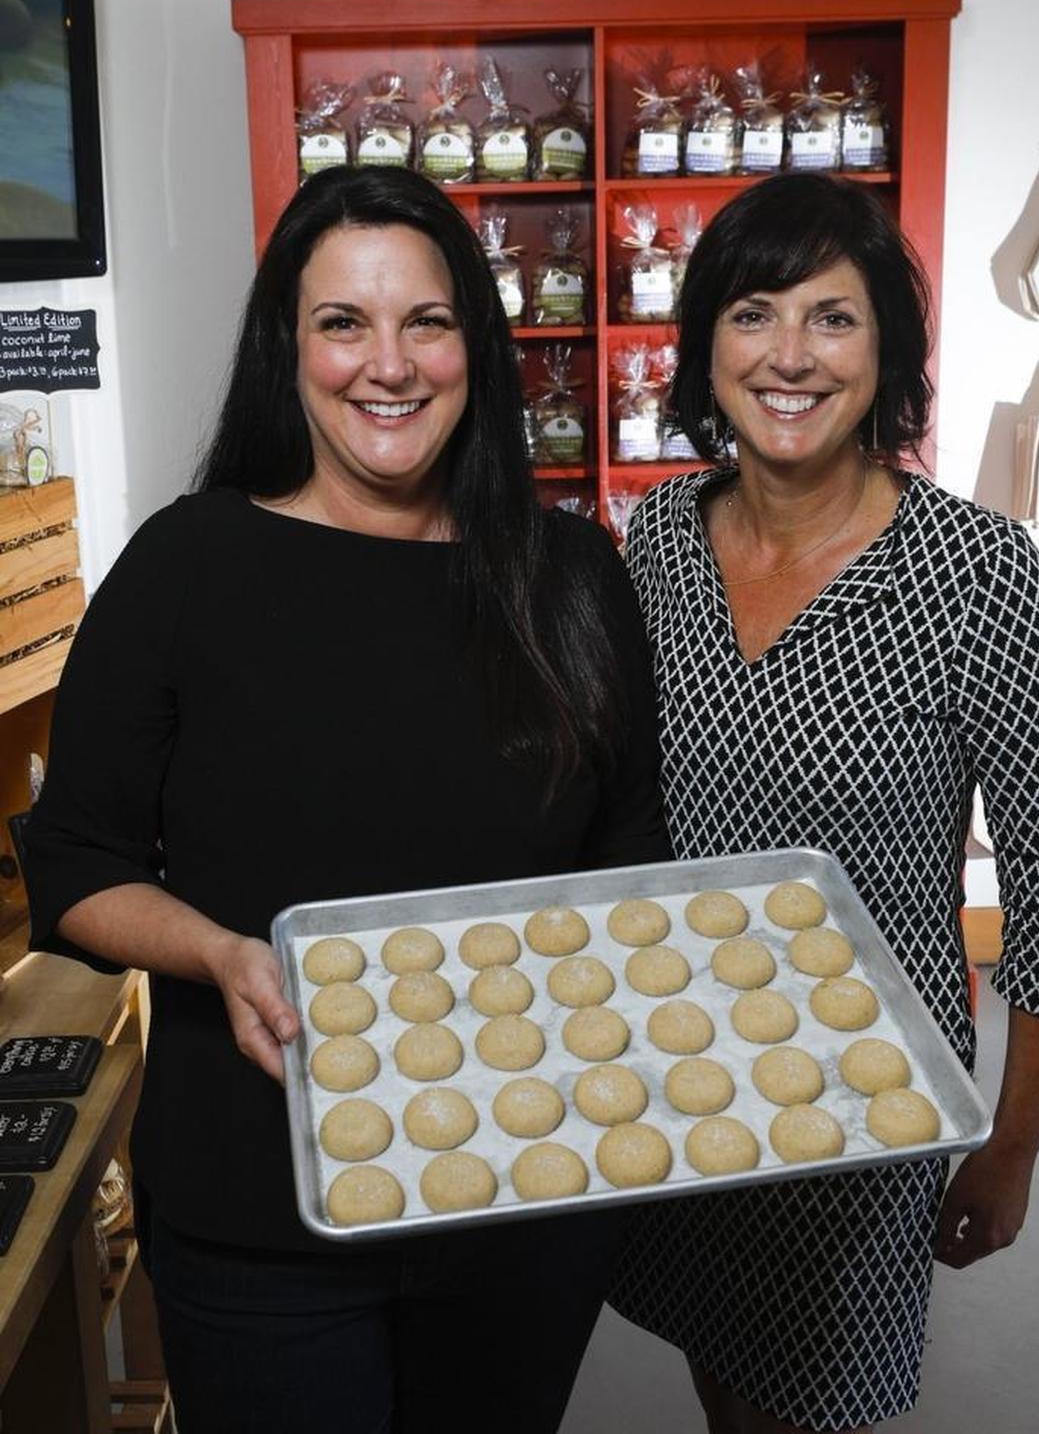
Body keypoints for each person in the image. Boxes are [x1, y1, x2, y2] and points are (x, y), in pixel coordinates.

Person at [23, 164, 669, 1434]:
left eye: (426, 321)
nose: (390, 365)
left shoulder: (572, 577)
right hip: (262, 1211)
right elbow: (78, 861)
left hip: (524, 1191)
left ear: (474, 345)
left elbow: (629, 850)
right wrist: (216, 951)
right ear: (290, 347)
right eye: (343, 324)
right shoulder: (187, 566)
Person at [609, 173, 1039, 1434]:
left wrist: (1013, 1144)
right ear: (703, 339)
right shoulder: (659, 536)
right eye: (753, 312)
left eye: (833, 318)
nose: (789, 356)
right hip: (678, 1063)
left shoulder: (978, 573)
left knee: (809, 1400)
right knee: (725, 1375)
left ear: (887, 353)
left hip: (859, 1101)